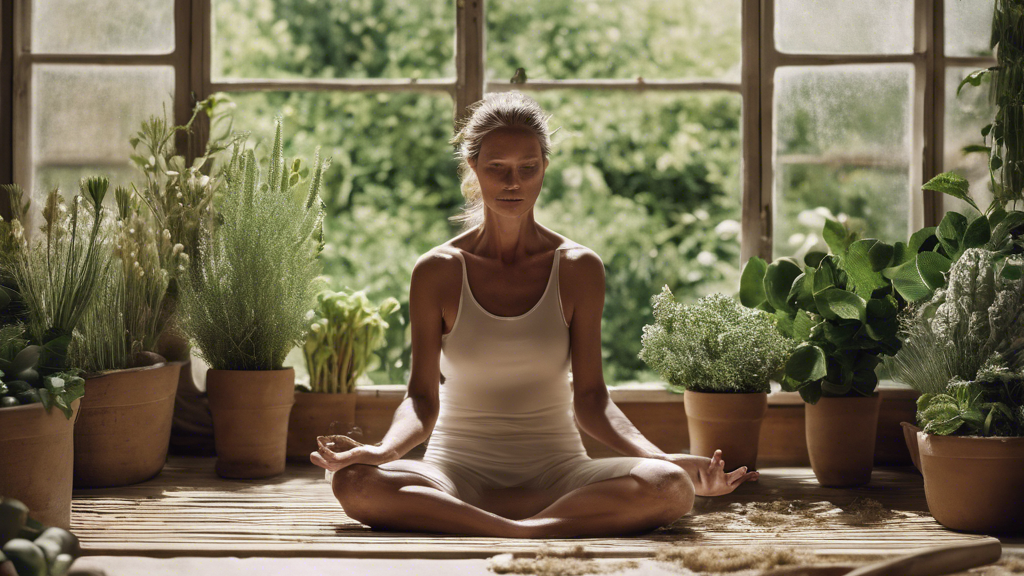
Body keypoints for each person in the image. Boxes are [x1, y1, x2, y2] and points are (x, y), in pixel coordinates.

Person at [311, 91, 758, 539]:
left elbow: (592, 399)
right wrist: (383, 451)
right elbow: (421, 399)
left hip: (558, 478)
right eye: (497, 169)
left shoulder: (579, 268)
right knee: (353, 483)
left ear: (544, 166)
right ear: (472, 167)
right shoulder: (438, 271)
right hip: (454, 477)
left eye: (528, 168)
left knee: (671, 488)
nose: (513, 183)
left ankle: (515, 529)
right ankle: (524, 531)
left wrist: (662, 458)